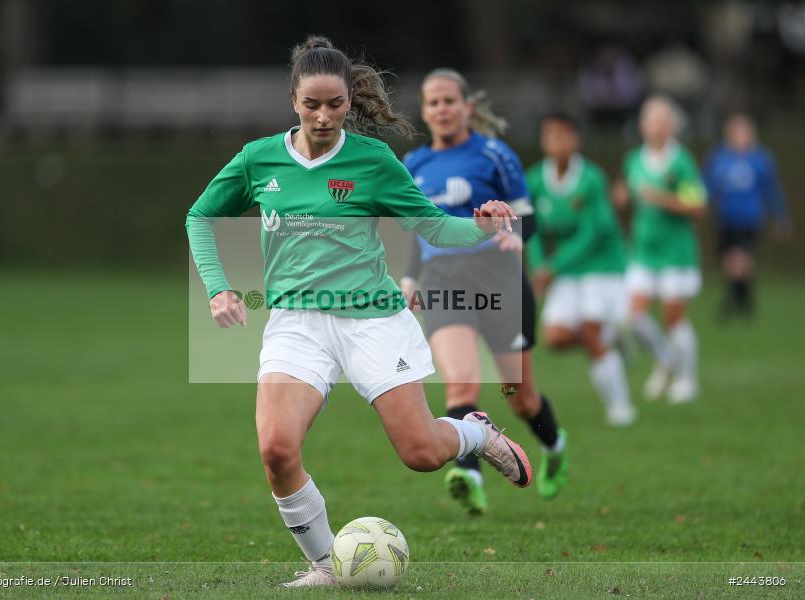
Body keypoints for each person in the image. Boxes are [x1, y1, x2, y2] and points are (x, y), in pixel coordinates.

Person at [186, 37, 532, 589]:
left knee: (420, 453)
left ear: (351, 101)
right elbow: (200, 215)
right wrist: (218, 288)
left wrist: (482, 227)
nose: (323, 116)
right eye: (311, 104)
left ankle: (473, 433)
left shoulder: (372, 160)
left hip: (373, 319)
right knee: (277, 448)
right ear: (293, 101)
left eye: (335, 105)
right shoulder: (258, 159)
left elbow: (432, 224)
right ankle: (325, 564)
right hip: (296, 324)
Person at [399, 69, 568, 511]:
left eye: (449, 101)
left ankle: (554, 446)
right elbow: (419, 230)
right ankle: (468, 476)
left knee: (520, 397)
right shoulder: (413, 165)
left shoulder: (494, 154)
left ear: (467, 107)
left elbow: (527, 215)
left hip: (499, 280)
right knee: (461, 384)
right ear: (425, 111)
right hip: (443, 283)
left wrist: (516, 236)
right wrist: (409, 278)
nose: (442, 109)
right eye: (433, 102)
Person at [526, 112, 635, 426]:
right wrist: (539, 267)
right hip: (566, 269)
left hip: (602, 265)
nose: (557, 142)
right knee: (555, 338)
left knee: (589, 331)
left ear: (576, 140)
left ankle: (620, 408)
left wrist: (553, 267)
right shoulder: (534, 179)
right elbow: (530, 229)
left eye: (564, 135)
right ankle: (611, 341)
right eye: (551, 136)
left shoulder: (591, 179)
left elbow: (592, 233)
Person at [613, 95, 707, 404]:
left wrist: (662, 197)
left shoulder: (681, 162)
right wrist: (622, 197)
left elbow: (697, 208)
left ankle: (687, 379)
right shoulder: (633, 160)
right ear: (642, 125)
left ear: (673, 126)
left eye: (663, 121)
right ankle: (667, 359)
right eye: (652, 120)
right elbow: (627, 193)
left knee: (673, 319)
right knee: (632, 316)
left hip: (676, 254)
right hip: (642, 252)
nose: (657, 127)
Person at [704, 113, 792, 319]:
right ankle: (744, 298)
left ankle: (732, 300)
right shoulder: (719, 158)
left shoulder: (760, 159)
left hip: (750, 217)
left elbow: (771, 189)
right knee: (728, 260)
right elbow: (707, 186)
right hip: (726, 217)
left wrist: (781, 216)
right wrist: (701, 206)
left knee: (741, 258)